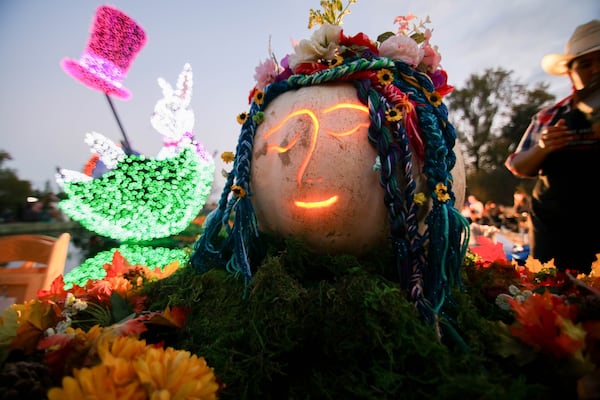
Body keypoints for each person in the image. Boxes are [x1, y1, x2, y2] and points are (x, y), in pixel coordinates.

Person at [505, 20, 600, 274]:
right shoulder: (550, 116)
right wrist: (543, 148)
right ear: (571, 72)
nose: (596, 70)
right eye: (586, 64)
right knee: (552, 294)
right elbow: (517, 165)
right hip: (555, 228)